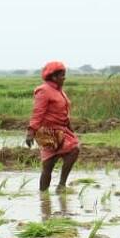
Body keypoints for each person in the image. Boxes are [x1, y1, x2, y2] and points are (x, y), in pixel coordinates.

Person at [26, 61, 79, 192]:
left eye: (64, 74)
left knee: (74, 149)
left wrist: (71, 129)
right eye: (62, 75)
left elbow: (64, 113)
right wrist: (31, 132)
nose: (64, 78)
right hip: (48, 133)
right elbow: (38, 112)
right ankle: (45, 194)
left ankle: (58, 187)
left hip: (62, 131)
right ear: (53, 77)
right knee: (48, 166)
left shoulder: (59, 91)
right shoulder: (44, 91)